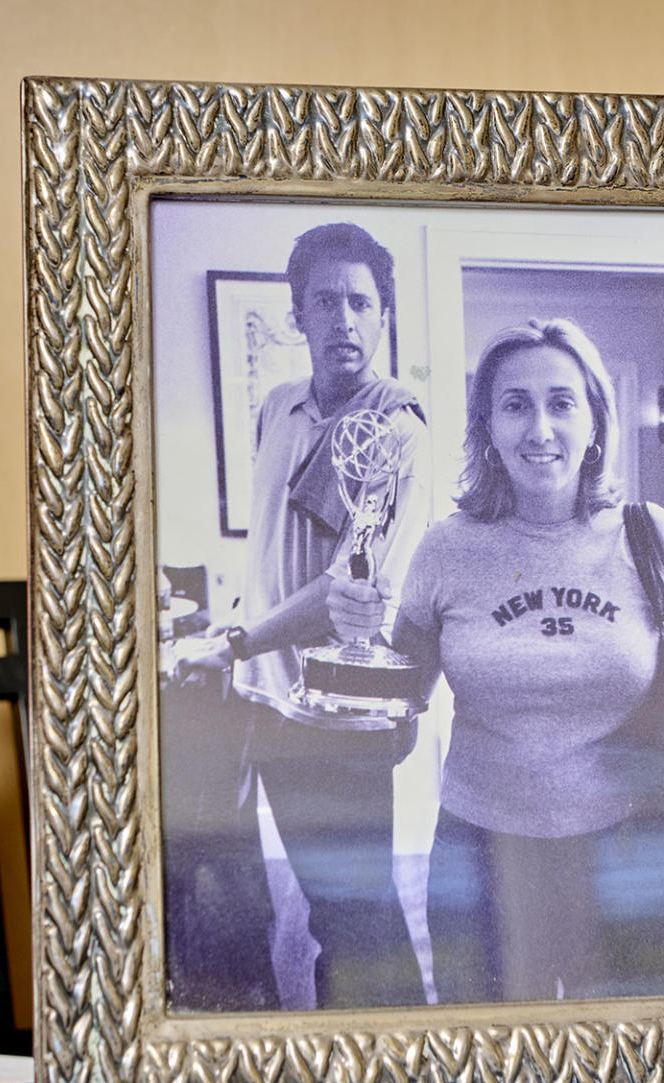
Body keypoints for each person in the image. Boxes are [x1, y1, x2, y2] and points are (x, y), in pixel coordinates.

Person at [329, 318, 664, 1005]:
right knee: (493, 1071)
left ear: (596, 422)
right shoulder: (445, 550)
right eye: (515, 405)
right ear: (487, 427)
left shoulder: (650, 536)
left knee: (625, 1065)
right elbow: (396, 716)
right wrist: (357, 644)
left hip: (628, 853)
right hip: (481, 854)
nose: (540, 428)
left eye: (562, 402)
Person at [175, 223, 430, 1011]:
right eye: (326, 302)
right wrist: (241, 644)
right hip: (269, 702)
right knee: (316, 906)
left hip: (343, 715)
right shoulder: (279, 408)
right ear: (299, 316)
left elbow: (346, 593)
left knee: (361, 914)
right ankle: (334, 1062)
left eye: (361, 302)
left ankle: (405, 1075)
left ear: (385, 316)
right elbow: (270, 552)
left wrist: (238, 639)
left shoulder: (399, 429)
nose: (344, 320)